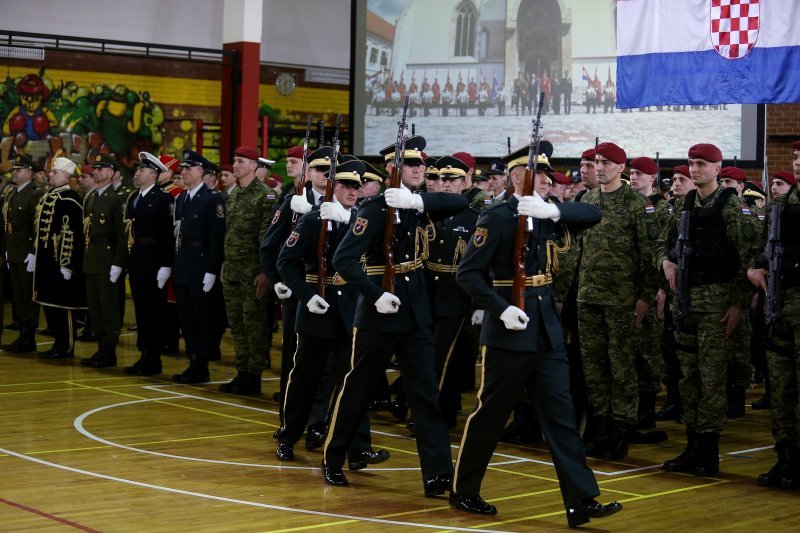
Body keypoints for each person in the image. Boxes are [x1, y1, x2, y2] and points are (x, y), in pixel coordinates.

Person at [451, 142, 622, 528]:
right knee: (491, 416)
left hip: (545, 331)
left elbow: (593, 212)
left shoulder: (545, 213)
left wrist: (554, 209)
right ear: (516, 177)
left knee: (562, 418)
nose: (547, 180)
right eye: (539, 175)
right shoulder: (496, 216)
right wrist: (501, 308)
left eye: (548, 175)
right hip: (509, 330)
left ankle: (580, 501)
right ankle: (465, 489)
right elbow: (468, 273)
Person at [321, 135, 464, 494]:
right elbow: (343, 260)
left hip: (415, 312)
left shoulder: (418, 205)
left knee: (425, 396)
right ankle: (333, 458)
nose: (420, 170)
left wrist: (414, 199)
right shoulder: (372, 211)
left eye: (421, 165)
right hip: (379, 313)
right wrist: (374, 295)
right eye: (412, 164)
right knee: (356, 389)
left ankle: (437, 474)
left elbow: (457, 199)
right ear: (392, 169)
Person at [275, 158, 389, 468]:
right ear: (332, 187)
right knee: (305, 378)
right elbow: (285, 261)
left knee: (353, 382)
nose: (353, 191)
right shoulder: (314, 220)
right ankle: (288, 436)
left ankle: (358, 447)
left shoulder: (364, 219)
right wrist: (306, 296)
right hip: (318, 304)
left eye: (357, 186)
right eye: (346, 185)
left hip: (351, 307)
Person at [655, 143, 758, 476]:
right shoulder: (683, 204)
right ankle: (692, 444)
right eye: (691, 163)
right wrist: (666, 262)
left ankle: (708, 451)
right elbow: (662, 243)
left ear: (717, 168)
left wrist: (739, 304)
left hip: (716, 303)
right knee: (688, 377)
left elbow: (748, 256)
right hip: (685, 300)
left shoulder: (730, 206)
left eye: (701, 164)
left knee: (711, 378)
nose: (694, 169)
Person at [577, 142, 659, 461]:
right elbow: (579, 249)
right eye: (597, 161)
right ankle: (599, 429)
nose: (599, 167)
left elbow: (650, 254)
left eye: (607, 163)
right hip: (589, 296)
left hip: (623, 300)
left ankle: (621, 431)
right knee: (594, 367)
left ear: (621, 168)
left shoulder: (637, 204)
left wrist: (645, 296)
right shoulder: (588, 199)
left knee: (622, 367)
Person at [746, 138, 800, 490]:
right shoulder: (783, 204)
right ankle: (788, 458)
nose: (797, 162)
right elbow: (765, 250)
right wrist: (756, 267)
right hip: (780, 305)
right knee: (780, 387)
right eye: (795, 156)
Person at [423, 156, 479, 427]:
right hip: (426, 293)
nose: (445, 184)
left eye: (451, 179)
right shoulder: (425, 213)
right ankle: (425, 409)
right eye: (441, 179)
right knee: (425, 355)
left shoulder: (473, 218)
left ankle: (440, 412)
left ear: (463, 183)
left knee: (442, 356)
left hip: (455, 295)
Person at [219, 146, 278, 395]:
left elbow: (268, 240)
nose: (235, 164)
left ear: (254, 166)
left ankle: (253, 375)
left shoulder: (265, 197)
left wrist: (266, 272)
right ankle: (242, 372)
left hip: (253, 273)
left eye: (241, 161)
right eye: (235, 160)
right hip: (233, 270)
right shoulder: (235, 195)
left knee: (254, 326)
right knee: (237, 326)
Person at [171, 150, 226, 384]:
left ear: (201, 172)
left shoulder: (212, 199)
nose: (183, 172)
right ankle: (192, 361)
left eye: (188, 169)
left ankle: (201, 365)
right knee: (186, 319)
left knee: (201, 318)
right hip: (184, 265)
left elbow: (217, 238)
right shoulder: (182, 199)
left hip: (202, 266)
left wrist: (212, 270)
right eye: (183, 169)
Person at [122, 152, 174, 376]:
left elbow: (168, 235)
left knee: (154, 311)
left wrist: (166, 264)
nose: (137, 173)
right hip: (137, 260)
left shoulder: (163, 199)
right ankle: (144, 356)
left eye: (141, 170)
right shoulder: (135, 197)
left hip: (154, 260)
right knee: (141, 311)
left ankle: (153, 359)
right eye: (137, 170)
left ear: (153, 174)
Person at [33, 156, 87, 359]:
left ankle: (66, 345)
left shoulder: (71, 199)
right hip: (46, 259)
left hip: (61, 261)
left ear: (66, 176)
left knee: (64, 305)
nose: (50, 175)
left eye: (55, 172)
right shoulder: (50, 196)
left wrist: (68, 263)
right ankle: (58, 342)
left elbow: (72, 234)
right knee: (50, 303)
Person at [79, 153, 128, 368]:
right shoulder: (93, 197)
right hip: (93, 257)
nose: (95, 171)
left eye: (101, 168)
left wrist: (118, 263)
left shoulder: (116, 199)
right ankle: (100, 349)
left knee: (108, 308)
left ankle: (109, 351)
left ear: (111, 173)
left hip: (108, 258)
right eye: (95, 168)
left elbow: (122, 235)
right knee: (96, 307)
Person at [2, 154, 44, 353]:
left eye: (18, 170)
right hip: (15, 251)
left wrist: (34, 252)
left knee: (28, 297)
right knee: (18, 296)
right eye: (14, 170)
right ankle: (22, 335)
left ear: (28, 173)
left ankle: (29, 337)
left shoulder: (35, 194)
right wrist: (8, 251)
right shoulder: (13, 194)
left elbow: (37, 226)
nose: (14, 173)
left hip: (27, 252)